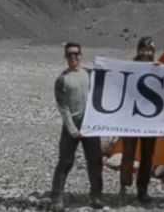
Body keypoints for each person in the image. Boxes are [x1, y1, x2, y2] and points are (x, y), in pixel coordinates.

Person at [50, 43, 103, 211]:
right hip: (71, 127)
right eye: (69, 55)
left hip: (90, 125)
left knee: (95, 161)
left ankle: (96, 195)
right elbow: (63, 107)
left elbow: (111, 80)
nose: (73, 57)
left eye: (76, 54)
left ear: (81, 55)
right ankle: (56, 197)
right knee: (65, 161)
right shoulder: (62, 79)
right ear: (66, 57)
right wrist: (72, 128)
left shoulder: (89, 74)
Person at [119, 37, 158, 205]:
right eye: (143, 49)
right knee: (128, 155)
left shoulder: (157, 69)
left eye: (149, 50)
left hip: (149, 121)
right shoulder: (130, 69)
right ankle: (124, 186)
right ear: (138, 50)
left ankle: (142, 189)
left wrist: (160, 70)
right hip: (131, 120)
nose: (146, 53)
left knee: (147, 157)